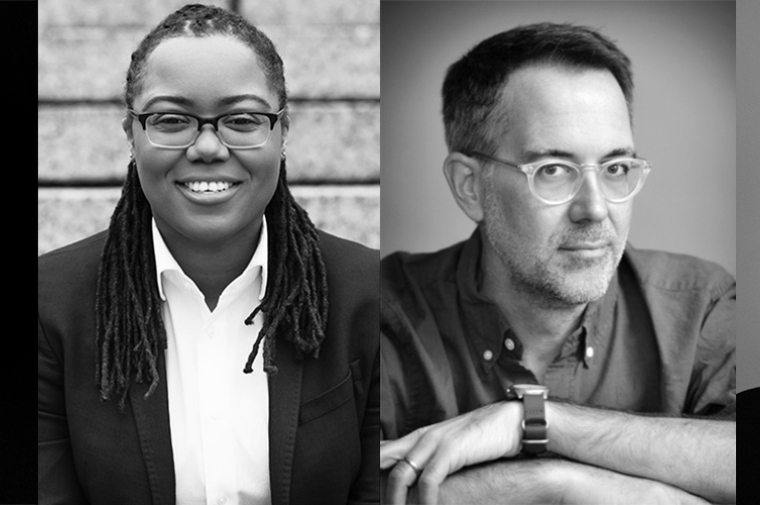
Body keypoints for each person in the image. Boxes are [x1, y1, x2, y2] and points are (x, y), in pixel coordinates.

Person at [379, 22, 735, 504]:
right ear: (470, 186)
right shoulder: (377, 313)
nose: (595, 208)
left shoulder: (703, 306)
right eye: (552, 171)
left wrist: (543, 443)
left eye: (614, 169)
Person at [38, 4, 379, 504]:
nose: (207, 146)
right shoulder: (49, 304)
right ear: (131, 134)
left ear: (283, 131)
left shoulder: (368, 293)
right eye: (172, 119)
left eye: (241, 118)